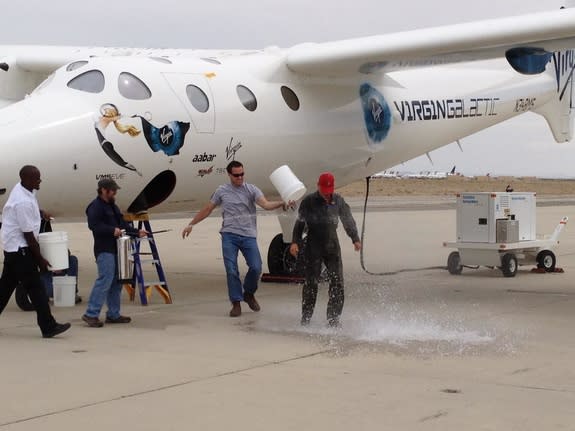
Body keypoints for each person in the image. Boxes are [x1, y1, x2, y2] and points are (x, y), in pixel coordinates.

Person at [182, 161, 290, 317]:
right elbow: (208, 209)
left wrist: (282, 203)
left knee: (256, 267)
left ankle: (249, 293)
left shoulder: (251, 189)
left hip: (248, 235)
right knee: (231, 270)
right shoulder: (222, 191)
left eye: (242, 174)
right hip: (229, 235)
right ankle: (236, 303)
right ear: (229, 175)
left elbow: (265, 204)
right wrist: (192, 224)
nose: (240, 177)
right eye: (236, 175)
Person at [0, 165, 71, 338]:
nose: (40, 181)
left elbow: (27, 216)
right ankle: (48, 327)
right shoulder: (22, 201)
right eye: (36, 178)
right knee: (36, 288)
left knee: (5, 287)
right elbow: (28, 235)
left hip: (13, 248)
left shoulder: (24, 189)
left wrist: (40, 213)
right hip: (20, 248)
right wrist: (40, 259)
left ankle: (48, 326)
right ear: (26, 179)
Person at [290, 172, 361, 328]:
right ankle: (306, 318)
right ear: (318, 186)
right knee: (311, 283)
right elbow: (300, 222)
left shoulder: (338, 201)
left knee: (338, 283)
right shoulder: (309, 201)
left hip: (332, 245)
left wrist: (355, 238)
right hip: (313, 244)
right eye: (324, 189)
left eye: (329, 189)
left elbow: (347, 219)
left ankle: (333, 319)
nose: (326, 193)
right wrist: (295, 242)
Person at [82, 179, 146, 328]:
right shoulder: (95, 207)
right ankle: (91, 314)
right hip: (104, 249)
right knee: (105, 279)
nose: (115, 192)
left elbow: (122, 224)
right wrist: (112, 230)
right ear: (104, 190)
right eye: (113, 190)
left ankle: (113, 314)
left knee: (118, 281)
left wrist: (137, 232)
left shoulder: (113, 206)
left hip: (117, 248)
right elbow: (94, 226)